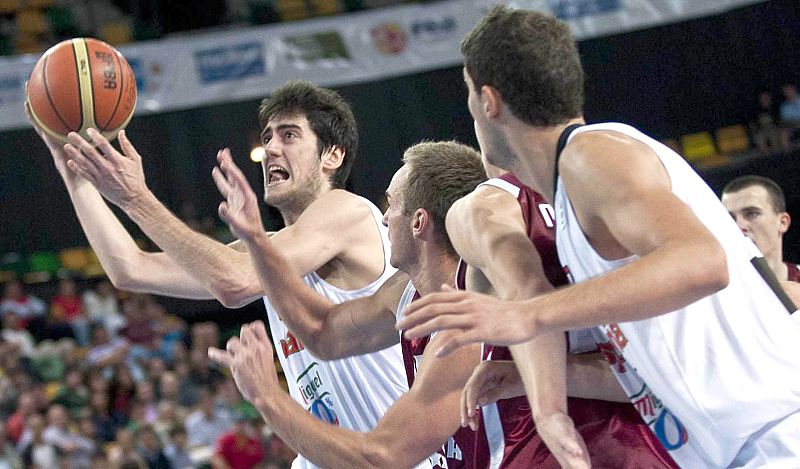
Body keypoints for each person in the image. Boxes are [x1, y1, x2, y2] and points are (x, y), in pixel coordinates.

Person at [396, 6, 800, 467]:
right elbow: (659, 368)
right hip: (742, 445)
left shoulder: (590, 155)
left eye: (467, 94)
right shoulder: (577, 197)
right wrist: (537, 393)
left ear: (488, 101)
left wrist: (529, 314)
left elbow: (703, 263)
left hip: (779, 431)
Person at [28, 80, 406, 469]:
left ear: (333, 155)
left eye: (289, 135)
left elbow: (235, 281)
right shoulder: (270, 249)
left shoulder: (347, 211)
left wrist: (137, 199)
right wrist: (71, 170)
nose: (271, 148)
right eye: (268, 137)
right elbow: (130, 268)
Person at [207, 140, 637, 468]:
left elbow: (383, 456)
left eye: (391, 204)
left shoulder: (462, 324)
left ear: (418, 222)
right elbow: (324, 335)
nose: (383, 216)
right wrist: (257, 242)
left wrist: (266, 397)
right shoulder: (408, 292)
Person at [721, 175, 798, 283]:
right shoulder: (714, 293)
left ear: (782, 222)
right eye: (731, 218)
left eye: (752, 213)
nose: (739, 226)